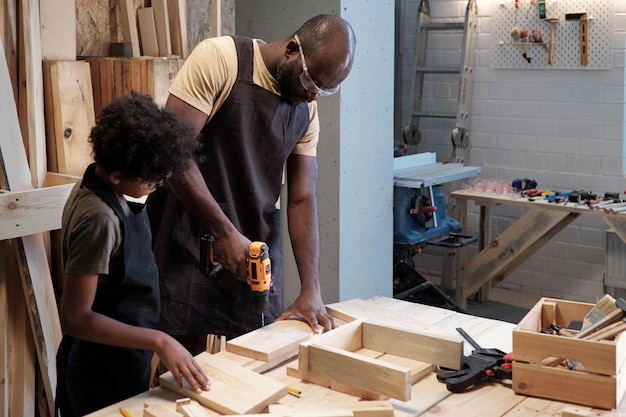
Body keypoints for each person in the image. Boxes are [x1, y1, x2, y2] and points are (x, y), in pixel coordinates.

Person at [146, 14, 356, 354]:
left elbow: (302, 197)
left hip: (255, 239)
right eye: (309, 82)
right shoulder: (220, 60)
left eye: (324, 90)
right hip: (189, 234)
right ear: (291, 49)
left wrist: (311, 290)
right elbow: (174, 152)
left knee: (255, 360)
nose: (313, 96)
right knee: (184, 368)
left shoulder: (306, 111)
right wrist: (224, 232)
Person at [55, 92, 211, 417]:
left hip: (125, 360)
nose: (156, 187)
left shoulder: (105, 183)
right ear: (117, 177)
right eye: (152, 182)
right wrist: (160, 341)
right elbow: (75, 318)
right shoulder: (99, 219)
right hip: (95, 373)